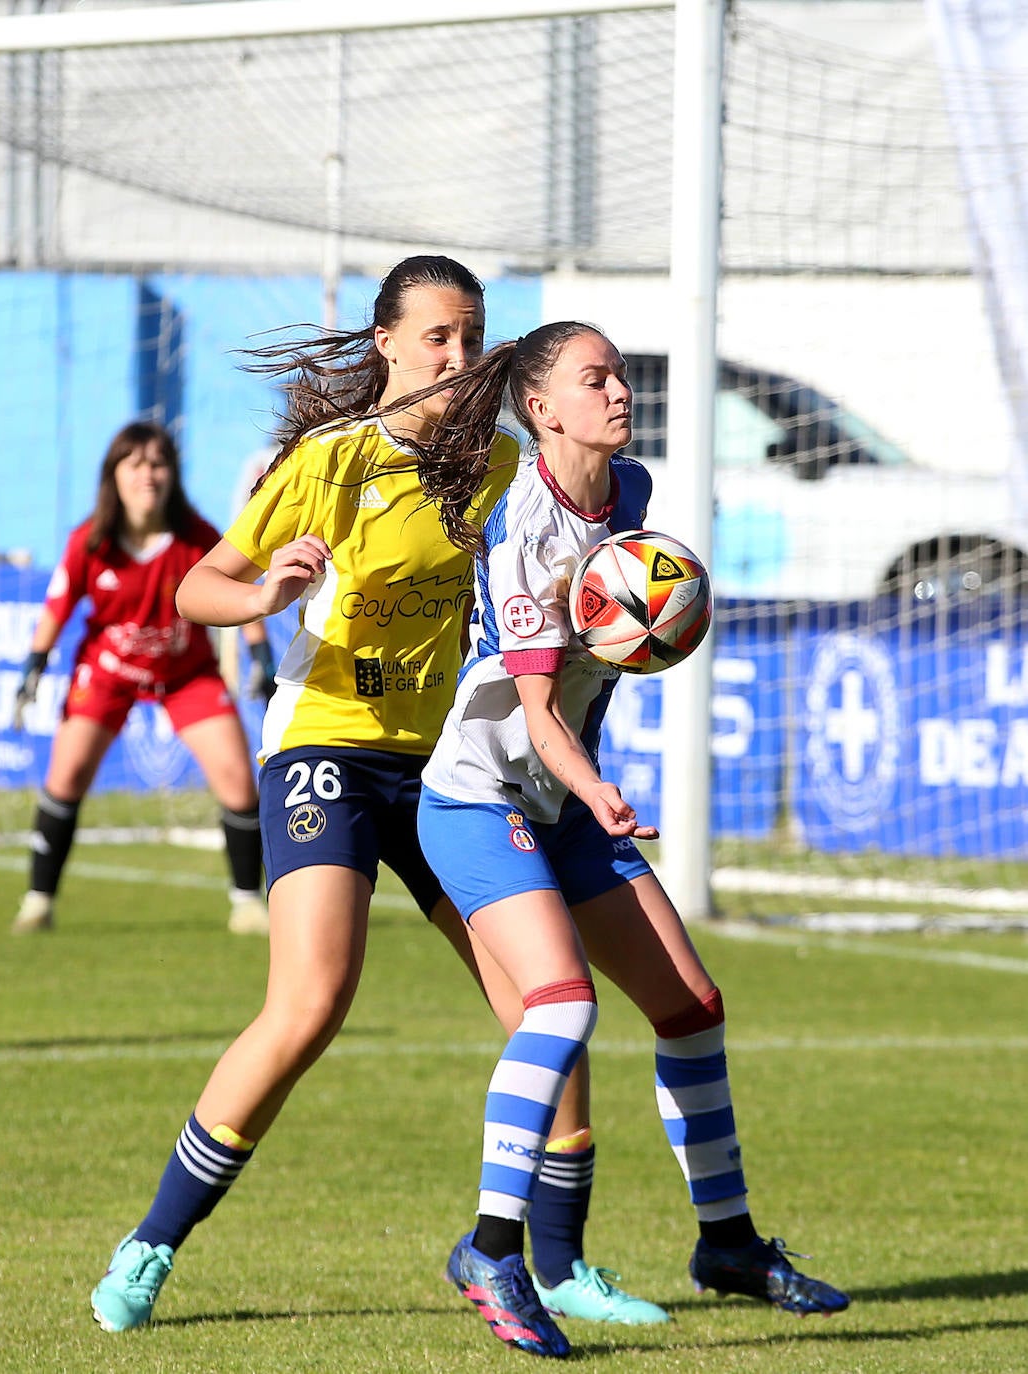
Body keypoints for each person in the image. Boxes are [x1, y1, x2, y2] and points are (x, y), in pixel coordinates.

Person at [87, 257, 666, 1336]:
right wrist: (265, 592)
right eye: (436, 337)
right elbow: (199, 583)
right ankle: (152, 1244)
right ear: (387, 343)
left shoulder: (504, 467)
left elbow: (583, 544)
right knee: (310, 1002)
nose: (456, 358)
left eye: (470, 336)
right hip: (329, 751)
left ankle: (559, 1264)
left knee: (545, 999)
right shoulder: (335, 460)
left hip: (450, 766)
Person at [413, 321, 851, 1358]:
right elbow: (536, 715)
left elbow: (616, 640)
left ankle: (729, 1244)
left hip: (561, 804)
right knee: (561, 1006)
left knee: (690, 1006)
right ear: (541, 407)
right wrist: (599, 791)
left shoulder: (634, 495)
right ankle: (490, 1249)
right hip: (481, 798)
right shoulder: (521, 523)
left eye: (617, 376)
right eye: (593, 378)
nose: (617, 393)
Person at [11, 419, 273, 938]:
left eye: (158, 464)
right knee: (66, 777)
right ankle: (38, 901)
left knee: (239, 780)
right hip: (107, 673)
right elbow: (56, 609)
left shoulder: (196, 536)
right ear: (114, 475)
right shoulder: (89, 540)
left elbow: (241, 591)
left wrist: (260, 656)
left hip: (186, 673)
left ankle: (247, 903)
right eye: (135, 464)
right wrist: (33, 667)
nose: (148, 475)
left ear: (172, 474)